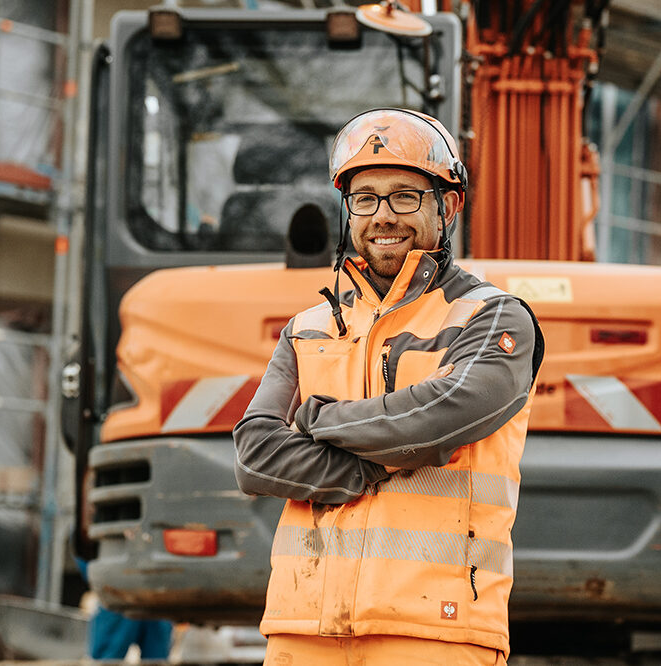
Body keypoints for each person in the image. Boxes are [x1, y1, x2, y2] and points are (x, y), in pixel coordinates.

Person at [233, 108, 543, 666]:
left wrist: (316, 421)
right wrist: (364, 469)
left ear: (447, 206)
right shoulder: (309, 327)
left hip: (434, 633)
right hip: (302, 629)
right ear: (348, 209)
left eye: (405, 196)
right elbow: (255, 457)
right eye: (366, 198)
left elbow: (439, 418)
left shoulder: (493, 318)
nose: (383, 216)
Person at [75, 557, 174, 659]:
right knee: (108, 657)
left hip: (156, 593)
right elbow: (84, 551)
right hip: (119, 592)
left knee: (157, 658)